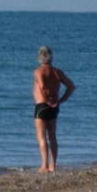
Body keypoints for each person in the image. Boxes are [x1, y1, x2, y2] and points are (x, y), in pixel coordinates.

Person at [32, 45, 75, 173]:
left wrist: (47, 98)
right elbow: (71, 86)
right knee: (52, 136)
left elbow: (42, 86)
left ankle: (44, 166)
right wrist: (61, 100)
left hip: (42, 105)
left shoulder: (38, 71)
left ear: (39, 57)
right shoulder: (57, 72)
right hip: (54, 106)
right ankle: (53, 166)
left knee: (41, 136)